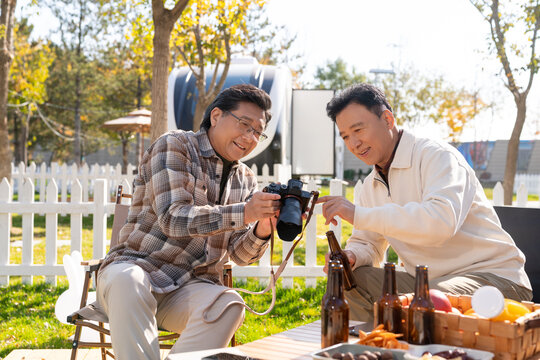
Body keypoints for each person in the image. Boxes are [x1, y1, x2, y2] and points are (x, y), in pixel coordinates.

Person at [317, 83, 532, 323]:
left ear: (388, 120)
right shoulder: (371, 184)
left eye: (358, 130)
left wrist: (358, 214)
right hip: (428, 283)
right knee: (349, 281)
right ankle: (371, 347)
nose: (353, 143)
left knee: (425, 303)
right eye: (346, 136)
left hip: (492, 279)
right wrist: (352, 255)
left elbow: (439, 223)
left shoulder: (438, 157)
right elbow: (369, 245)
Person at [96, 84, 281, 359]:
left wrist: (263, 227)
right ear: (216, 116)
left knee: (230, 303)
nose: (250, 137)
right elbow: (173, 218)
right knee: (128, 281)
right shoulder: (175, 145)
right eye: (245, 124)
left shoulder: (246, 179)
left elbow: (241, 255)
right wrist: (245, 212)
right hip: (138, 270)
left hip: (191, 287)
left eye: (257, 131)